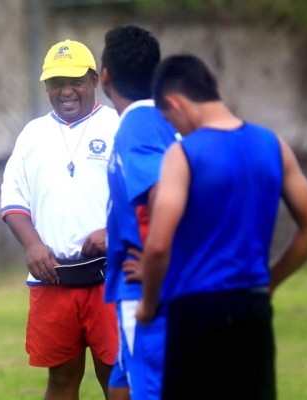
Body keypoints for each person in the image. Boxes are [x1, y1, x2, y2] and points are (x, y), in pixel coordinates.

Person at [137, 54, 307, 399]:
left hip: (195, 312)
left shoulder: (183, 155)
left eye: (170, 119)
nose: (176, 129)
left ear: (174, 103)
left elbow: (159, 245)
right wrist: (271, 280)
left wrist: (148, 304)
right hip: (252, 309)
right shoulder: (273, 145)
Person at [0, 39, 120, 399]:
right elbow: (12, 196)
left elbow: (146, 197)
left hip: (110, 277)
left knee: (117, 378)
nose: (66, 91)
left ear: (94, 80)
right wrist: (33, 245)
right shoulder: (33, 134)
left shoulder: (117, 126)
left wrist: (115, 232)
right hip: (53, 278)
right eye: (56, 83)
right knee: (63, 378)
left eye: (76, 81)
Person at [100, 26, 178, 400]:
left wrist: (155, 259)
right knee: (121, 384)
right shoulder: (161, 122)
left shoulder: (138, 128)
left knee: (147, 389)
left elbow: (164, 190)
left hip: (144, 289)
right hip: (142, 286)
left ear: (105, 77)